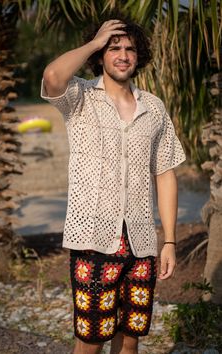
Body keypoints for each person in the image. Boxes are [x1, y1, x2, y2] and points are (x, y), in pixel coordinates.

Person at [41, 17, 186, 354]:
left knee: (130, 339)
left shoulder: (154, 108)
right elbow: (51, 76)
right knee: (91, 342)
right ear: (100, 56)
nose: (123, 55)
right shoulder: (80, 96)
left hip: (142, 244)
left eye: (130, 49)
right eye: (114, 48)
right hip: (92, 240)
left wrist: (169, 240)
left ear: (140, 56)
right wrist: (95, 41)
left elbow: (165, 174)